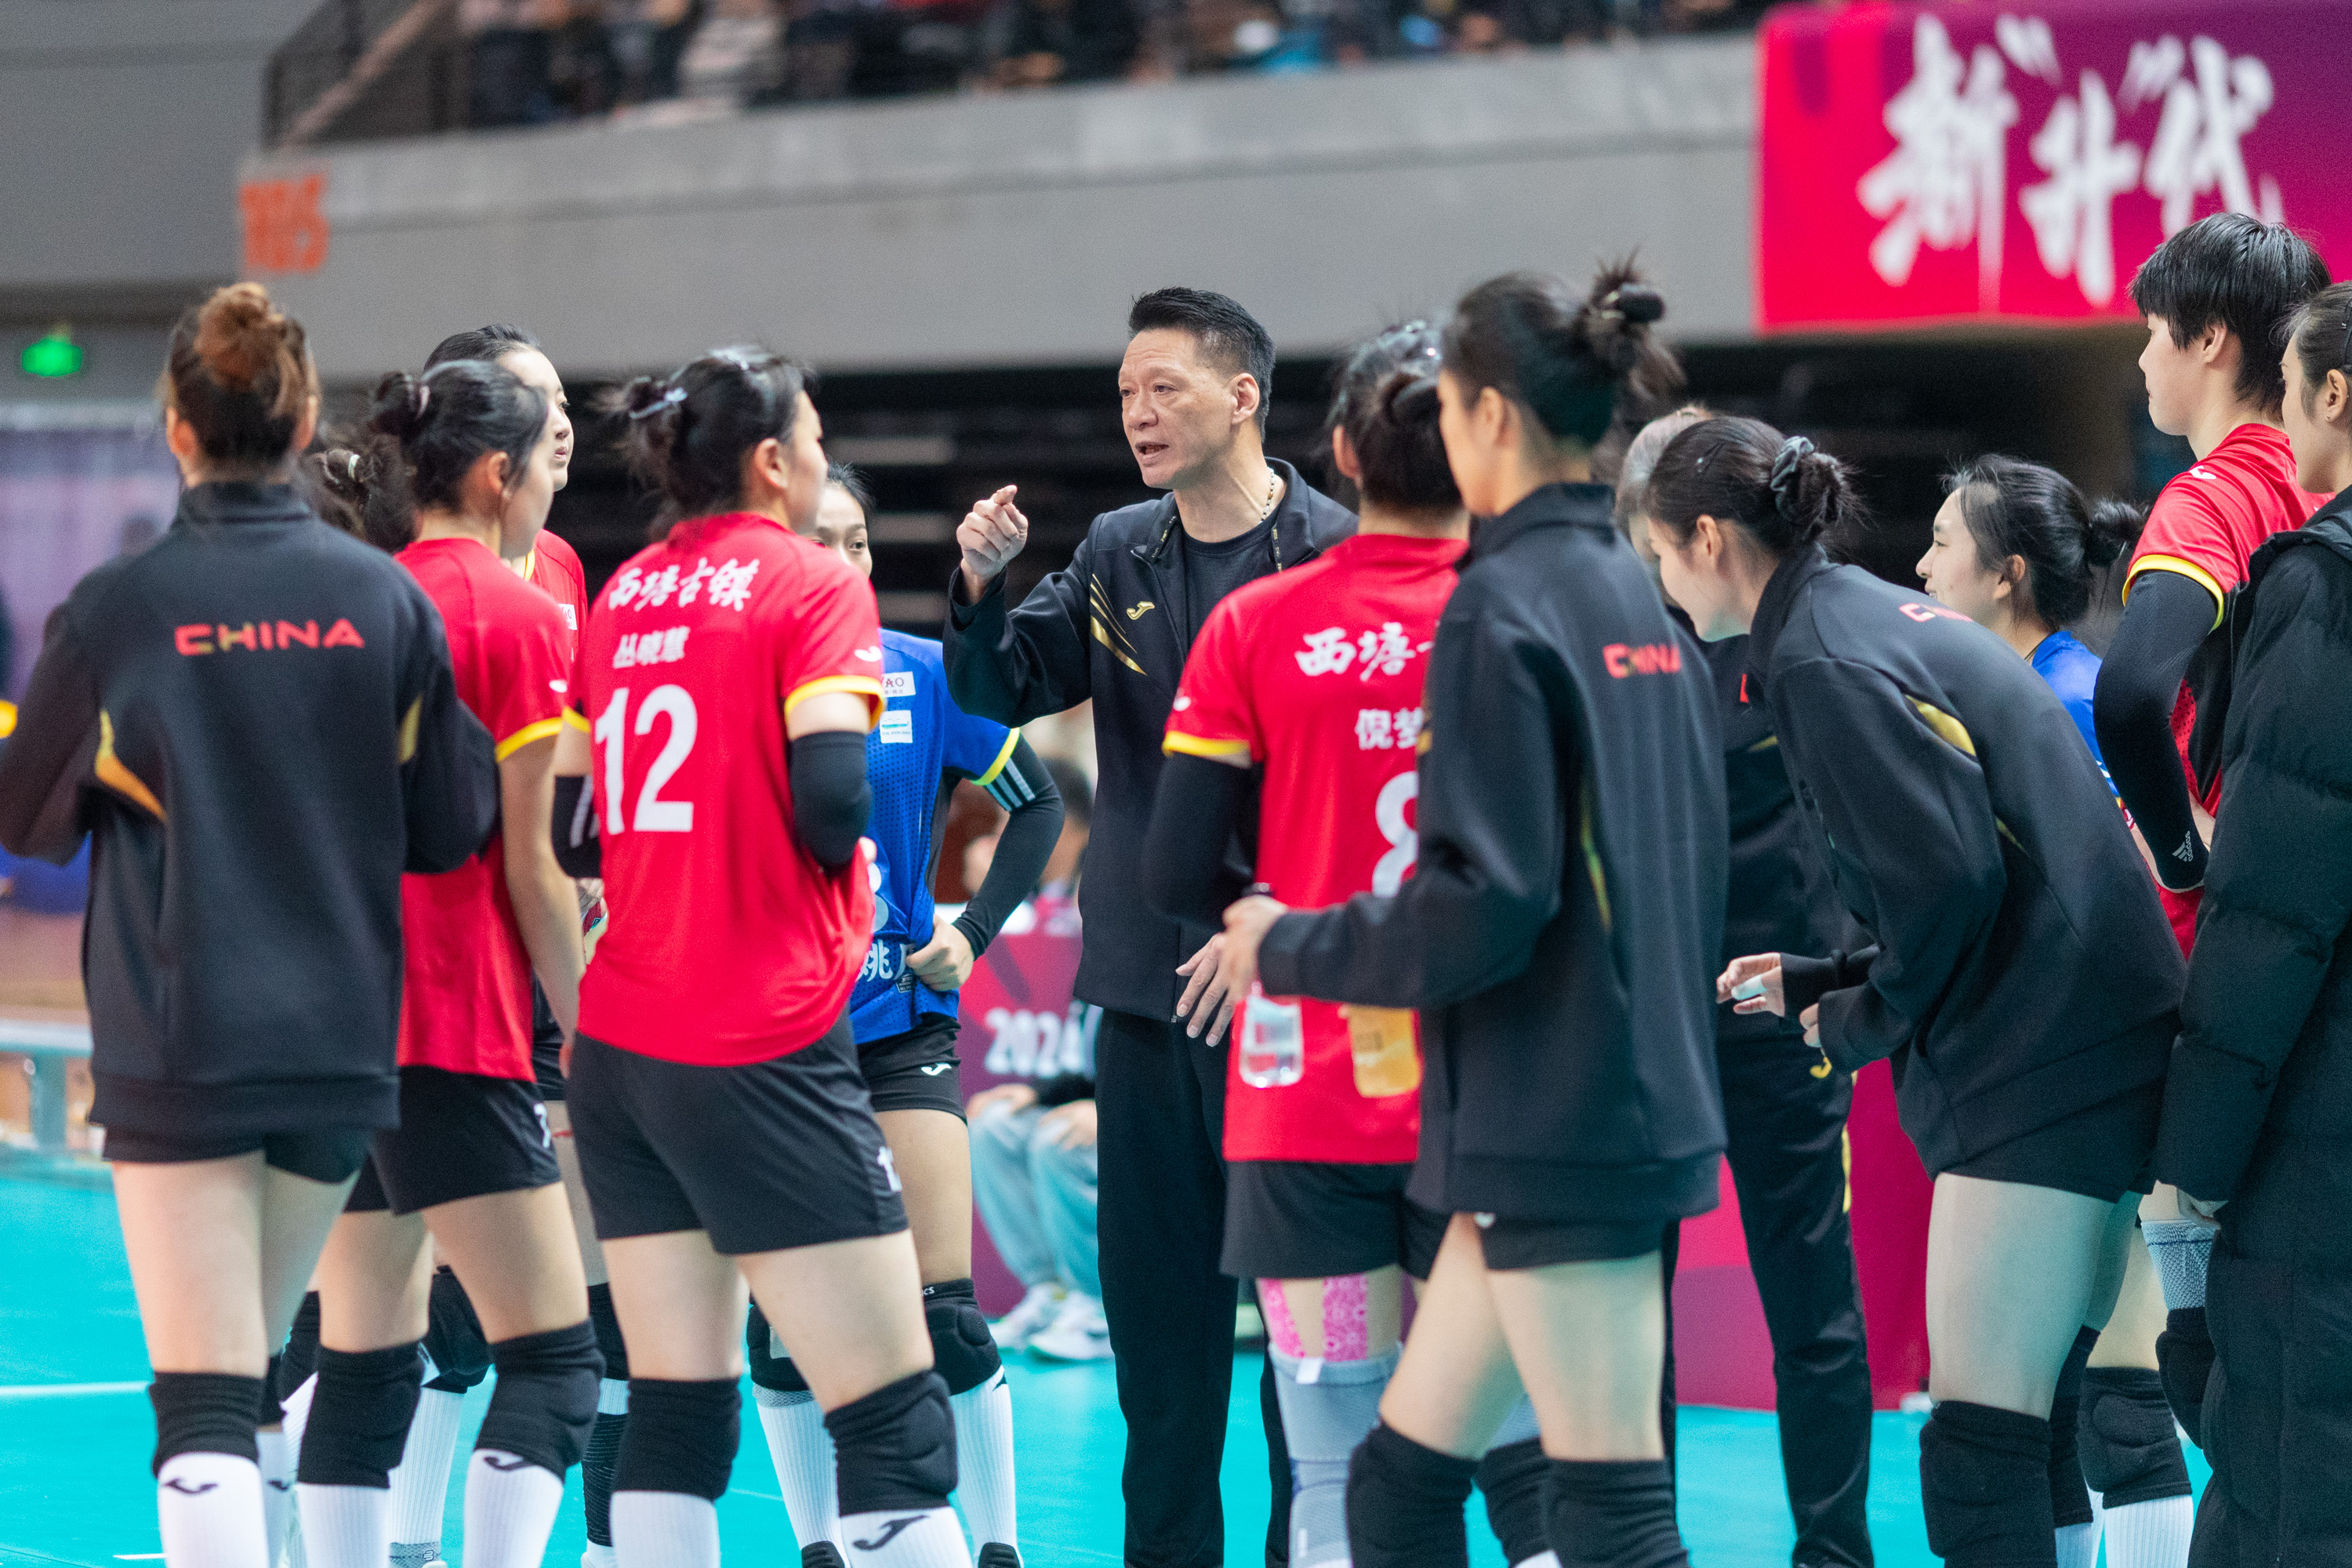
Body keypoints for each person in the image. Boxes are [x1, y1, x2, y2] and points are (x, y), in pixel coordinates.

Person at [1214, 269, 1726, 1568]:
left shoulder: (1503, 606)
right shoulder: (1632, 593)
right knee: (1399, 1489)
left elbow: (1486, 903)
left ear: (1491, 415)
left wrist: (1289, 944)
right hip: (1594, 1111)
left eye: (1445, 402)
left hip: (1559, 1124)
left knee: (1610, 1513)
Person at [0, 282, 499, 1568]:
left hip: (182, 1039)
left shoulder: (117, 609)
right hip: (339, 1047)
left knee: (207, 1398)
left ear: (177, 427)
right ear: (306, 418)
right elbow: (455, 823)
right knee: (257, 1366)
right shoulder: (385, 602)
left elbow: (24, 819)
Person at [1642, 416, 2186, 1568]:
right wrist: (1829, 976)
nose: (1660, 585)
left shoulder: (1820, 656)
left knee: (1983, 1454)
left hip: (2046, 1063)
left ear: (1707, 539)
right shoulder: (1852, 619)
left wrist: (1857, 1017)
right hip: (2094, 1035)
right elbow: (1959, 869)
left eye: (1657, 556)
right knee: (2043, 1427)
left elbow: (1950, 884)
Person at [943, 287, 1356, 1567]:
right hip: (1142, 998)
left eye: (1162, 387)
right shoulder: (1120, 549)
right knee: (1162, 1353)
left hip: (1293, 997)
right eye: (1126, 393)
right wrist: (978, 585)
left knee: (1308, 1354)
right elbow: (1002, 686)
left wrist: (1280, 923)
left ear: (1243, 396)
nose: (1137, 413)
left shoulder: (1339, 555)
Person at [551, 347, 971, 1568]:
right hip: (761, 1031)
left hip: (622, 1043)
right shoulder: (811, 582)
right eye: (821, 440)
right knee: (893, 1422)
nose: (828, 461)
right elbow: (834, 799)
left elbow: (574, 831)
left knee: (675, 1412)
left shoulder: (625, 593)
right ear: (776, 463)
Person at [1136, 320, 1472, 1568]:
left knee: (1331, 1460)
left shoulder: (1256, 625)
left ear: (1342, 452)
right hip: (1486, 1089)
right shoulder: (1519, 618)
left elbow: (1176, 870)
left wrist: (1274, 916)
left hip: (1305, 1098)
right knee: (1525, 1464)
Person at [294, 358, 598, 1568]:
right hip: (452, 1025)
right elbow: (532, 868)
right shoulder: (513, 618)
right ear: (497, 474)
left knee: (364, 1357)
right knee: (558, 1361)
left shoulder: (347, 602)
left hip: (334, 1027)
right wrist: (594, 1034)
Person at [746, 461, 1064, 1568]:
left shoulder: (922, 675)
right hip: (777, 1040)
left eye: (859, 544)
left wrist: (971, 937)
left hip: (900, 1025)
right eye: (819, 542)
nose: (843, 564)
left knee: (948, 1313)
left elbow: (1038, 805)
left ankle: (998, 1548)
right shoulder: (743, 680)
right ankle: (821, 1551)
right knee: (781, 1326)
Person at [1916, 456, 2195, 1568]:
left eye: (1943, 542)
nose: (1919, 565)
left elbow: (2143, 898)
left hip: (2110, 1075)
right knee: (2061, 1405)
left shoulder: (2068, 702)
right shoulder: (2017, 695)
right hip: (2071, 1076)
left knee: (2117, 1397)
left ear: (2007, 574)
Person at [1618, 406, 1876, 1568]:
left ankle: (1834, 1550)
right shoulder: (1620, 642)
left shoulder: (1802, 641)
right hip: (1648, 1029)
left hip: (1784, 1015)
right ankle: (1640, 1545)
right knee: (1633, 1317)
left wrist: (1841, 976)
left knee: (1813, 1306)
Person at [2089, 214, 2329, 1443]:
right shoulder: (2330, 485)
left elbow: (2132, 694)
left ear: (2212, 339)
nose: (2141, 359)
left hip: (2220, 955)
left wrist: (2184, 852)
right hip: (2324, 949)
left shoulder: (2215, 495)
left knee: (2189, 1351)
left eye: (2150, 331)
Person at [2151, 278, 2352, 1568]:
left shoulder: (2320, 584)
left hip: (2324, 1138)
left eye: (2294, 395)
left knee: (2293, 1477)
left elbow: (2273, 904)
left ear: (2334, 393)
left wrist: (2198, 1150)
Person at [422, 321, 630, 1568]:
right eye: (532, 400)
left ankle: (607, 1544)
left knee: (583, 1302)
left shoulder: (560, 568)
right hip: (449, 969)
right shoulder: (407, 574)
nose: (560, 420)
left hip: (535, 973)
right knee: (413, 1317)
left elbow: (565, 801)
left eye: (562, 398)